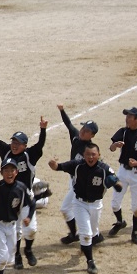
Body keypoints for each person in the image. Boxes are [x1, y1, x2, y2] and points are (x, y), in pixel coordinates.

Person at [48, 143, 123, 274]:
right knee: (86, 233)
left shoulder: (104, 169)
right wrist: (53, 164)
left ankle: (91, 240)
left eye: (93, 154)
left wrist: (115, 184)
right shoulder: (77, 165)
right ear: (84, 155)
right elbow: (58, 167)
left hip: (96, 205)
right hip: (79, 203)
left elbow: (118, 183)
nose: (90, 157)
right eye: (88, 154)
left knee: (93, 233)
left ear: (98, 155)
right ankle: (90, 261)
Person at [0, 109, 46, 269]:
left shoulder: (30, 155)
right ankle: (17, 255)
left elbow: (40, 144)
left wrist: (43, 129)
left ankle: (28, 250)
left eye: (18, 143)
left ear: (25, 145)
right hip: (10, 197)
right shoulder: (6, 151)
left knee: (31, 229)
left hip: (26, 196)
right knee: (17, 230)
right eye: (13, 142)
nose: (14, 145)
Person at [108, 107, 137, 245]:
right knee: (115, 204)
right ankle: (120, 222)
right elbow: (111, 148)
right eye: (126, 116)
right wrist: (115, 145)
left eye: (130, 116)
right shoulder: (123, 132)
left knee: (136, 208)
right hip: (123, 171)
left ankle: (135, 232)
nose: (127, 118)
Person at [56, 104, 101, 245]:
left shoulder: (90, 151)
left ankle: (81, 234)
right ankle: (87, 234)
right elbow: (68, 124)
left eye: (86, 131)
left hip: (80, 182)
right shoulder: (76, 137)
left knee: (66, 208)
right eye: (83, 128)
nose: (82, 131)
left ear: (92, 135)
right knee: (74, 208)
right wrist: (62, 111)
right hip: (73, 180)